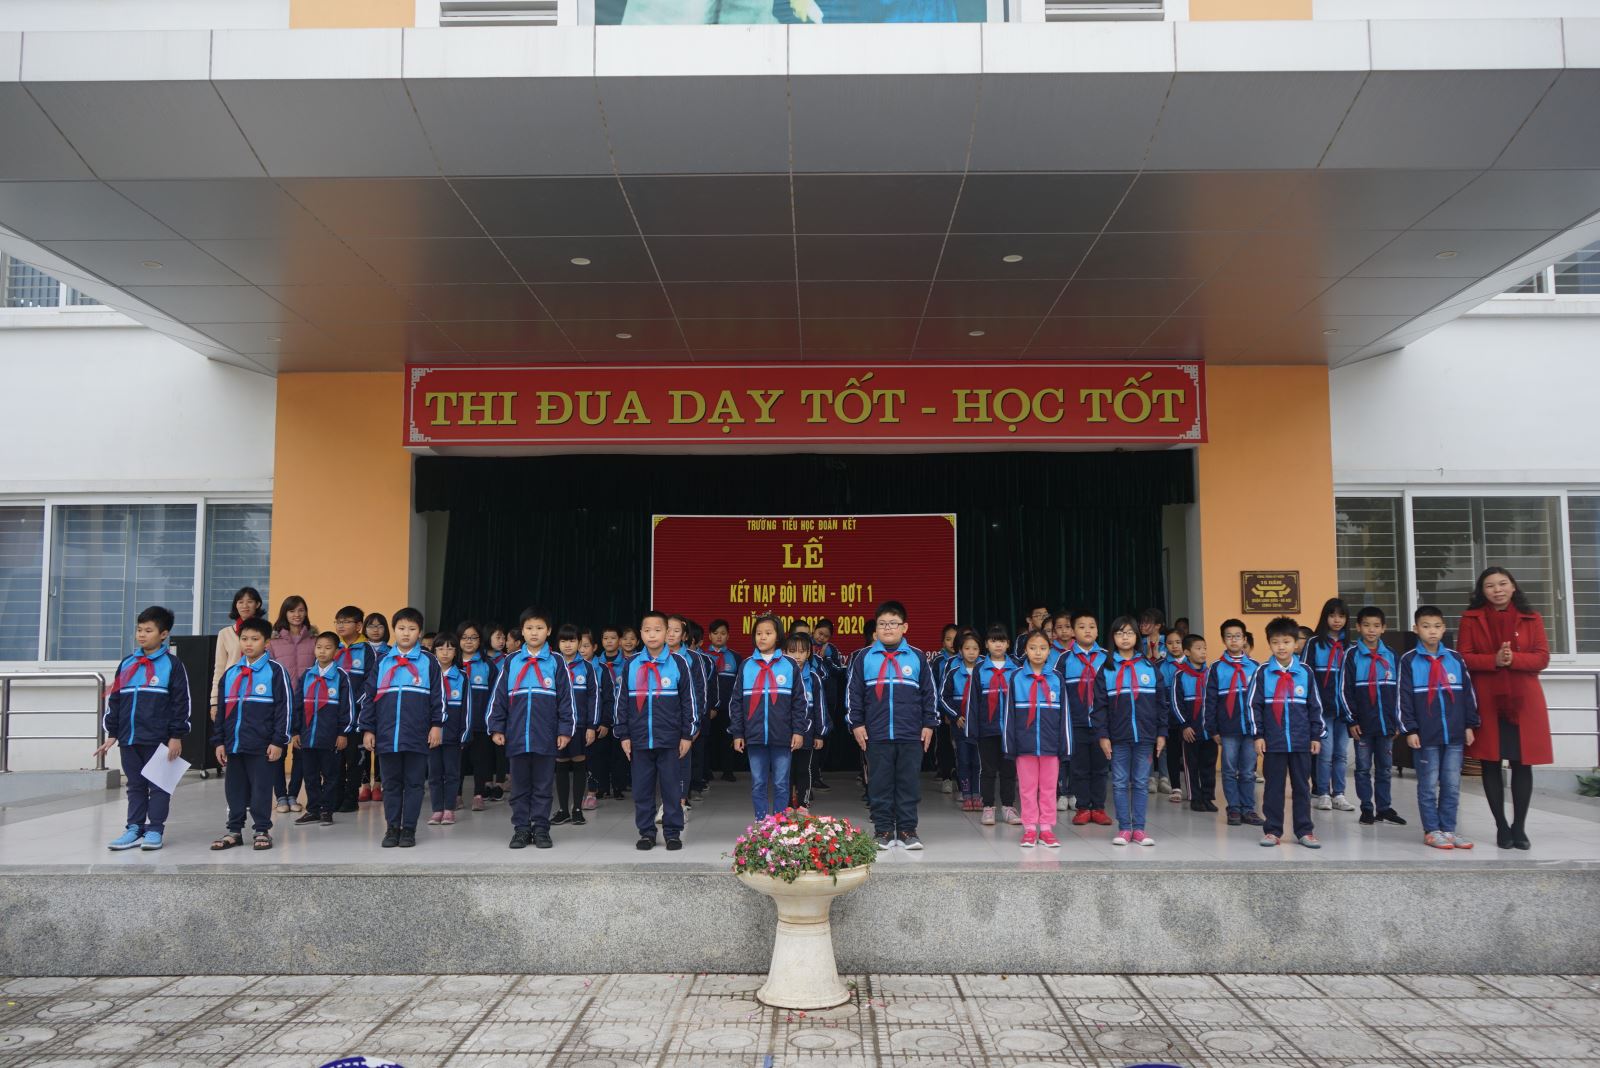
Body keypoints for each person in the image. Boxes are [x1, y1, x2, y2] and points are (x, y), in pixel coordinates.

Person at [1459, 566, 1552, 851]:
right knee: (1490, 762)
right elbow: (1463, 658)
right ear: (1482, 591)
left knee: (1522, 763)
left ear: (1513, 587)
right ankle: (1501, 825)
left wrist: (1514, 659)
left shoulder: (1531, 617)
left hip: (1523, 701)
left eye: (1502, 584)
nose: (1497, 590)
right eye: (1490, 585)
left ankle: (1519, 827)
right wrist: (1494, 660)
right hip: (1488, 699)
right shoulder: (1471, 618)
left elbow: (1542, 657)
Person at [97, 606, 191, 852]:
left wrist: (176, 736)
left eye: (148, 630)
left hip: (159, 738)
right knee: (135, 785)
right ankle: (134, 829)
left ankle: (155, 829)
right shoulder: (127, 663)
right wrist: (113, 733)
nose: (142, 634)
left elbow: (181, 703)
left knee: (159, 785)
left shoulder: (172, 665)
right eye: (139, 629)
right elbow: (116, 700)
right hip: (129, 738)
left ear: (164, 634)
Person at [847, 600, 937, 851]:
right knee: (879, 783)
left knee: (909, 783)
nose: (888, 628)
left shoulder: (917, 657)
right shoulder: (863, 657)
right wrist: (856, 724)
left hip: (911, 733)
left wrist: (929, 724)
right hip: (876, 733)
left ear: (904, 627)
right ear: (876, 629)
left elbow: (929, 693)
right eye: (882, 624)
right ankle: (883, 830)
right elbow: (853, 694)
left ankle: (908, 830)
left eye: (893, 624)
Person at [489, 608, 576, 850]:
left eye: (539, 628)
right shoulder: (511, 661)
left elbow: (566, 700)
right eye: (529, 628)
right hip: (516, 736)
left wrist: (565, 730)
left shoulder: (556, 661)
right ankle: (521, 829)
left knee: (542, 786)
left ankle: (540, 828)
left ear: (548, 631)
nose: (534, 632)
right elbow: (499, 697)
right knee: (519, 786)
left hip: (545, 736)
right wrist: (497, 726)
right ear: (522, 631)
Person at [360, 608, 444, 848]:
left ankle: (409, 829)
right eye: (401, 628)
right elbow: (369, 697)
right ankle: (392, 828)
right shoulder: (382, 661)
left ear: (419, 632)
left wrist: (436, 725)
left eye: (412, 629)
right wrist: (368, 729)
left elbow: (438, 697)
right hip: (387, 736)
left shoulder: (429, 661)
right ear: (394, 630)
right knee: (391, 784)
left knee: (415, 784)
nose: (406, 633)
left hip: (417, 735)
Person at [614, 610, 696, 851]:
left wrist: (687, 734)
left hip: (670, 740)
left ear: (667, 633)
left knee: (671, 789)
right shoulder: (631, 664)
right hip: (639, 739)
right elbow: (621, 702)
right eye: (647, 630)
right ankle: (647, 832)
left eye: (658, 630)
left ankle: (672, 832)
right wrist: (623, 734)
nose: (652, 635)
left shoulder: (679, 663)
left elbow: (689, 701)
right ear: (641, 634)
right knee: (642, 789)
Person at [1400, 605, 1480, 850]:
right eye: (1426, 626)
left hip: (1454, 734)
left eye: (1436, 626)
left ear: (1444, 628)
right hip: (1426, 736)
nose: (1432, 631)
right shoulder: (1409, 660)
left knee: (1452, 784)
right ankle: (1432, 830)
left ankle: (1448, 829)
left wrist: (1469, 724)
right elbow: (1403, 698)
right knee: (1427, 785)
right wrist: (1410, 729)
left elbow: (1468, 694)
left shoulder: (1455, 659)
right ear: (1416, 629)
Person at [210, 617, 292, 852]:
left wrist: (278, 741)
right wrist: (219, 742)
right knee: (234, 789)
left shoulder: (276, 671)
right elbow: (222, 712)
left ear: (266, 643)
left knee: (261, 789)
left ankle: (262, 830)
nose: (248, 643)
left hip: (262, 745)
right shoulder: (231, 673)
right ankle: (234, 831)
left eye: (255, 639)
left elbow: (284, 709)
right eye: (244, 639)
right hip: (234, 744)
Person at [1248, 617, 1326, 849]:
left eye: (1286, 642)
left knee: (1302, 787)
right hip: (1274, 742)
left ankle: (1305, 831)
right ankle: (1272, 830)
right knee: (1273, 788)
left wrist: (1316, 735)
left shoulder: (1305, 672)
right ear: (1269, 644)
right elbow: (1253, 706)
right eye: (1275, 642)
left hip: (1302, 742)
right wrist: (1258, 735)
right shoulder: (1262, 672)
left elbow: (1315, 706)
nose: (1281, 647)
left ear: (1296, 643)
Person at [1094, 616, 1167, 846]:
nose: (1124, 637)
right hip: (1118, 737)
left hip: (1145, 736)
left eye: (1129, 633)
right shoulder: (1106, 669)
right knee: (1119, 782)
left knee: (1141, 782)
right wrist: (1103, 735)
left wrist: (1161, 733)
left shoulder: (1149, 667)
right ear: (1112, 638)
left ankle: (1140, 830)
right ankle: (1124, 828)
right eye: (1119, 633)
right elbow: (1099, 707)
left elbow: (1161, 704)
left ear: (1137, 637)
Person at [728, 615, 805, 821]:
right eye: (758, 633)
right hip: (754, 736)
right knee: (758, 783)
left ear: (778, 636)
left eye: (768, 633)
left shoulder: (789, 664)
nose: (762, 637)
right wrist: (737, 733)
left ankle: (779, 824)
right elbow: (736, 702)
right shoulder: (746, 665)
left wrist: (798, 731)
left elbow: (799, 702)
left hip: (782, 736)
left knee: (781, 783)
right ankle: (761, 823)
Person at [1338, 606, 1405, 828]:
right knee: (1363, 768)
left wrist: (1398, 721)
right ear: (1358, 627)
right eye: (1366, 625)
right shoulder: (1351, 655)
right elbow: (1344, 690)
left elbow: (1399, 691)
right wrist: (1352, 720)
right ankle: (1367, 808)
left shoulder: (1392, 655)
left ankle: (1384, 808)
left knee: (1385, 768)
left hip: (1386, 725)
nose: (1371, 630)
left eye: (1376, 626)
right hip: (1363, 726)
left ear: (1384, 628)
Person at [1008, 630, 1071, 849]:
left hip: (1050, 745)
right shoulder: (1016, 677)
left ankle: (1046, 828)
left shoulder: (1057, 678)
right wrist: (1010, 744)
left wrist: (1065, 745)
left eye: (1043, 648)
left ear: (1049, 651)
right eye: (1033, 648)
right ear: (1025, 650)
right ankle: (1029, 828)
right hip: (1024, 745)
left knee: (1049, 788)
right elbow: (1009, 715)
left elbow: (1064, 715)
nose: (1037, 652)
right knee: (1027, 788)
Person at [291, 631, 354, 827]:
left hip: (330, 737)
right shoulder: (307, 675)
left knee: (331, 776)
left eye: (328, 648)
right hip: (307, 736)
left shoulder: (341, 677)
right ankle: (313, 809)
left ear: (336, 651)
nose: (322, 651)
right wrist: (295, 731)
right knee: (310, 775)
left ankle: (327, 810)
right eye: (319, 647)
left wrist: (343, 733)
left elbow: (347, 708)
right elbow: (297, 706)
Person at [1204, 619, 1262, 827]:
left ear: (1244, 639)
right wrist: (1212, 728)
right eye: (1229, 636)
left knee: (1248, 771)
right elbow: (1210, 701)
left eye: (1237, 636)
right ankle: (1234, 808)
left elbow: (1261, 701)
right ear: (1223, 640)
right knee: (1229, 770)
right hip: (1228, 729)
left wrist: (1260, 729)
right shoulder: (1216, 668)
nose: (1233, 640)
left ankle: (1249, 809)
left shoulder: (1256, 667)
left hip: (1251, 728)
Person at [1061, 610, 1111, 827]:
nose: (1087, 630)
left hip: (1102, 725)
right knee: (1079, 767)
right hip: (1076, 722)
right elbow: (1059, 692)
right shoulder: (1065, 659)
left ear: (1098, 631)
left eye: (1091, 626)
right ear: (1073, 631)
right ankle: (1082, 807)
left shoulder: (1108, 657)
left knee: (1101, 768)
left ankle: (1098, 808)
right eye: (1081, 627)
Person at [1304, 597, 1354, 813]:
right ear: (1325, 617)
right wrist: (1311, 707)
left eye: (1341, 616)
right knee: (1325, 753)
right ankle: (1323, 792)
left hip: (1344, 709)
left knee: (1341, 754)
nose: (1337, 620)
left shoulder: (1350, 646)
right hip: (1322, 709)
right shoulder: (1314, 643)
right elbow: (1306, 674)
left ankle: (1339, 794)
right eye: (1332, 615)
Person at [269, 595, 316, 814]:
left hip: (305, 704)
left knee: (301, 751)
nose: (297, 615)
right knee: (278, 749)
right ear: (284, 613)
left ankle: (293, 795)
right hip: (280, 704)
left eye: (301, 610)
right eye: (292, 611)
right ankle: (280, 796)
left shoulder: (314, 640)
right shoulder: (273, 642)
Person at [969, 628, 1019, 828]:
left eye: (1002, 641)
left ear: (1008, 644)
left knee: (1009, 770)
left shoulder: (1016, 669)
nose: (998, 645)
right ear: (986, 644)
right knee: (987, 770)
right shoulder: (979, 670)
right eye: (993, 641)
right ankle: (988, 807)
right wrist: (973, 729)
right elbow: (973, 702)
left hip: (1010, 731)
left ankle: (1008, 806)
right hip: (986, 729)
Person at [332, 605, 377, 812]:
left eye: (346, 621)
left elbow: (370, 683)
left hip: (358, 714)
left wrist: (353, 702)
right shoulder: (334, 648)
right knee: (336, 757)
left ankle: (351, 798)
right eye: (338, 622)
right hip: (336, 715)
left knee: (355, 758)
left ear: (359, 626)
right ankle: (336, 796)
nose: (341, 625)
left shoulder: (367, 651)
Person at [937, 628, 986, 812]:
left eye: (975, 648)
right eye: (967, 648)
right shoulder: (953, 671)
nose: (971, 652)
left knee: (978, 761)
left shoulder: (985, 669)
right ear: (960, 650)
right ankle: (966, 794)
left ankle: (977, 794)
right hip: (960, 724)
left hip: (980, 725)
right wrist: (955, 716)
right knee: (963, 759)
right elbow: (943, 697)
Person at [553, 624, 595, 827]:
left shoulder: (587, 668)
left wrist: (591, 726)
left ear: (579, 643)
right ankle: (563, 810)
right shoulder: (553, 665)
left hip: (580, 725)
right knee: (560, 763)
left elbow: (593, 698)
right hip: (559, 726)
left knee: (579, 762)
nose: (568, 645)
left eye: (572, 641)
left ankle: (577, 808)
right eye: (563, 641)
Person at [427, 631, 470, 827]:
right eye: (441, 648)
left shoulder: (462, 677)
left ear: (456, 652)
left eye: (450, 648)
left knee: (452, 774)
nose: (445, 653)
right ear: (433, 651)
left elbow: (467, 708)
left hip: (453, 735)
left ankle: (449, 809)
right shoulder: (428, 675)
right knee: (434, 774)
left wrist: (464, 735)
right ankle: (437, 809)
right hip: (431, 736)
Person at [1170, 632, 1215, 813]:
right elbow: (1176, 702)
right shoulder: (1180, 675)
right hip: (1191, 729)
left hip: (1209, 729)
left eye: (1205, 648)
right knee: (1191, 765)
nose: (1203, 652)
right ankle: (1195, 797)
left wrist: (1215, 727)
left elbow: (1215, 701)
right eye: (1198, 648)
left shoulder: (1211, 674)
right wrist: (1184, 725)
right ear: (1187, 652)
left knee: (1209, 764)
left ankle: (1208, 797)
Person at [457, 621, 500, 812]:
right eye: (465, 637)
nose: (469, 641)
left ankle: (478, 795)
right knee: (457, 761)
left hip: (480, 723)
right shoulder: (452, 663)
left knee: (481, 760)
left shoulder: (488, 665)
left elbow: (495, 696)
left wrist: (492, 720)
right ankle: (456, 795)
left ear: (480, 640)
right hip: (457, 725)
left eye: (473, 638)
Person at [786, 631, 828, 812]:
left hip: (808, 734)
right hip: (784, 734)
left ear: (809, 653)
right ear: (784, 652)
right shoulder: (781, 676)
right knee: (786, 771)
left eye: (802, 651)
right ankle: (787, 805)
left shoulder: (814, 677)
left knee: (804, 770)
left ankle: (803, 804)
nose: (797, 656)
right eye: (792, 651)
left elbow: (820, 708)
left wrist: (819, 733)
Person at [209, 586, 264, 723]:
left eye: (250, 601)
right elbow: (219, 669)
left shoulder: (267, 632)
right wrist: (214, 701)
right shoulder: (225, 633)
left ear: (257, 604)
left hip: (258, 690)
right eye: (240, 602)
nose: (245, 606)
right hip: (231, 689)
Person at [590, 624, 628, 802]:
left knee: (619, 754)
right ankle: (602, 787)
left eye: (613, 638)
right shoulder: (595, 664)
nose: (609, 641)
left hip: (620, 715)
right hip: (602, 715)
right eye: (605, 638)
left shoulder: (627, 664)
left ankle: (619, 787)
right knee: (600, 754)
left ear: (619, 641)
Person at [704, 619, 741, 784]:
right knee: (707, 739)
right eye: (715, 633)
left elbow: (740, 684)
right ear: (709, 636)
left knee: (728, 739)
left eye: (723, 633)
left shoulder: (735, 657)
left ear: (728, 636)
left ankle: (728, 771)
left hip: (729, 706)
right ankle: (706, 771)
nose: (719, 636)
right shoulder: (702, 656)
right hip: (708, 707)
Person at [1154, 627, 1186, 801]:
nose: (1174, 646)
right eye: (1170, 643)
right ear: (1165, 645)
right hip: (1169, 715)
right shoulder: (1160, 665)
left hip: (1189, 716)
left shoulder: (1193, 662)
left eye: (1178, 642)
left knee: (1189, 753)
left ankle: (1193, 787)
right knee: (1172, 751)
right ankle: (1176, 787)